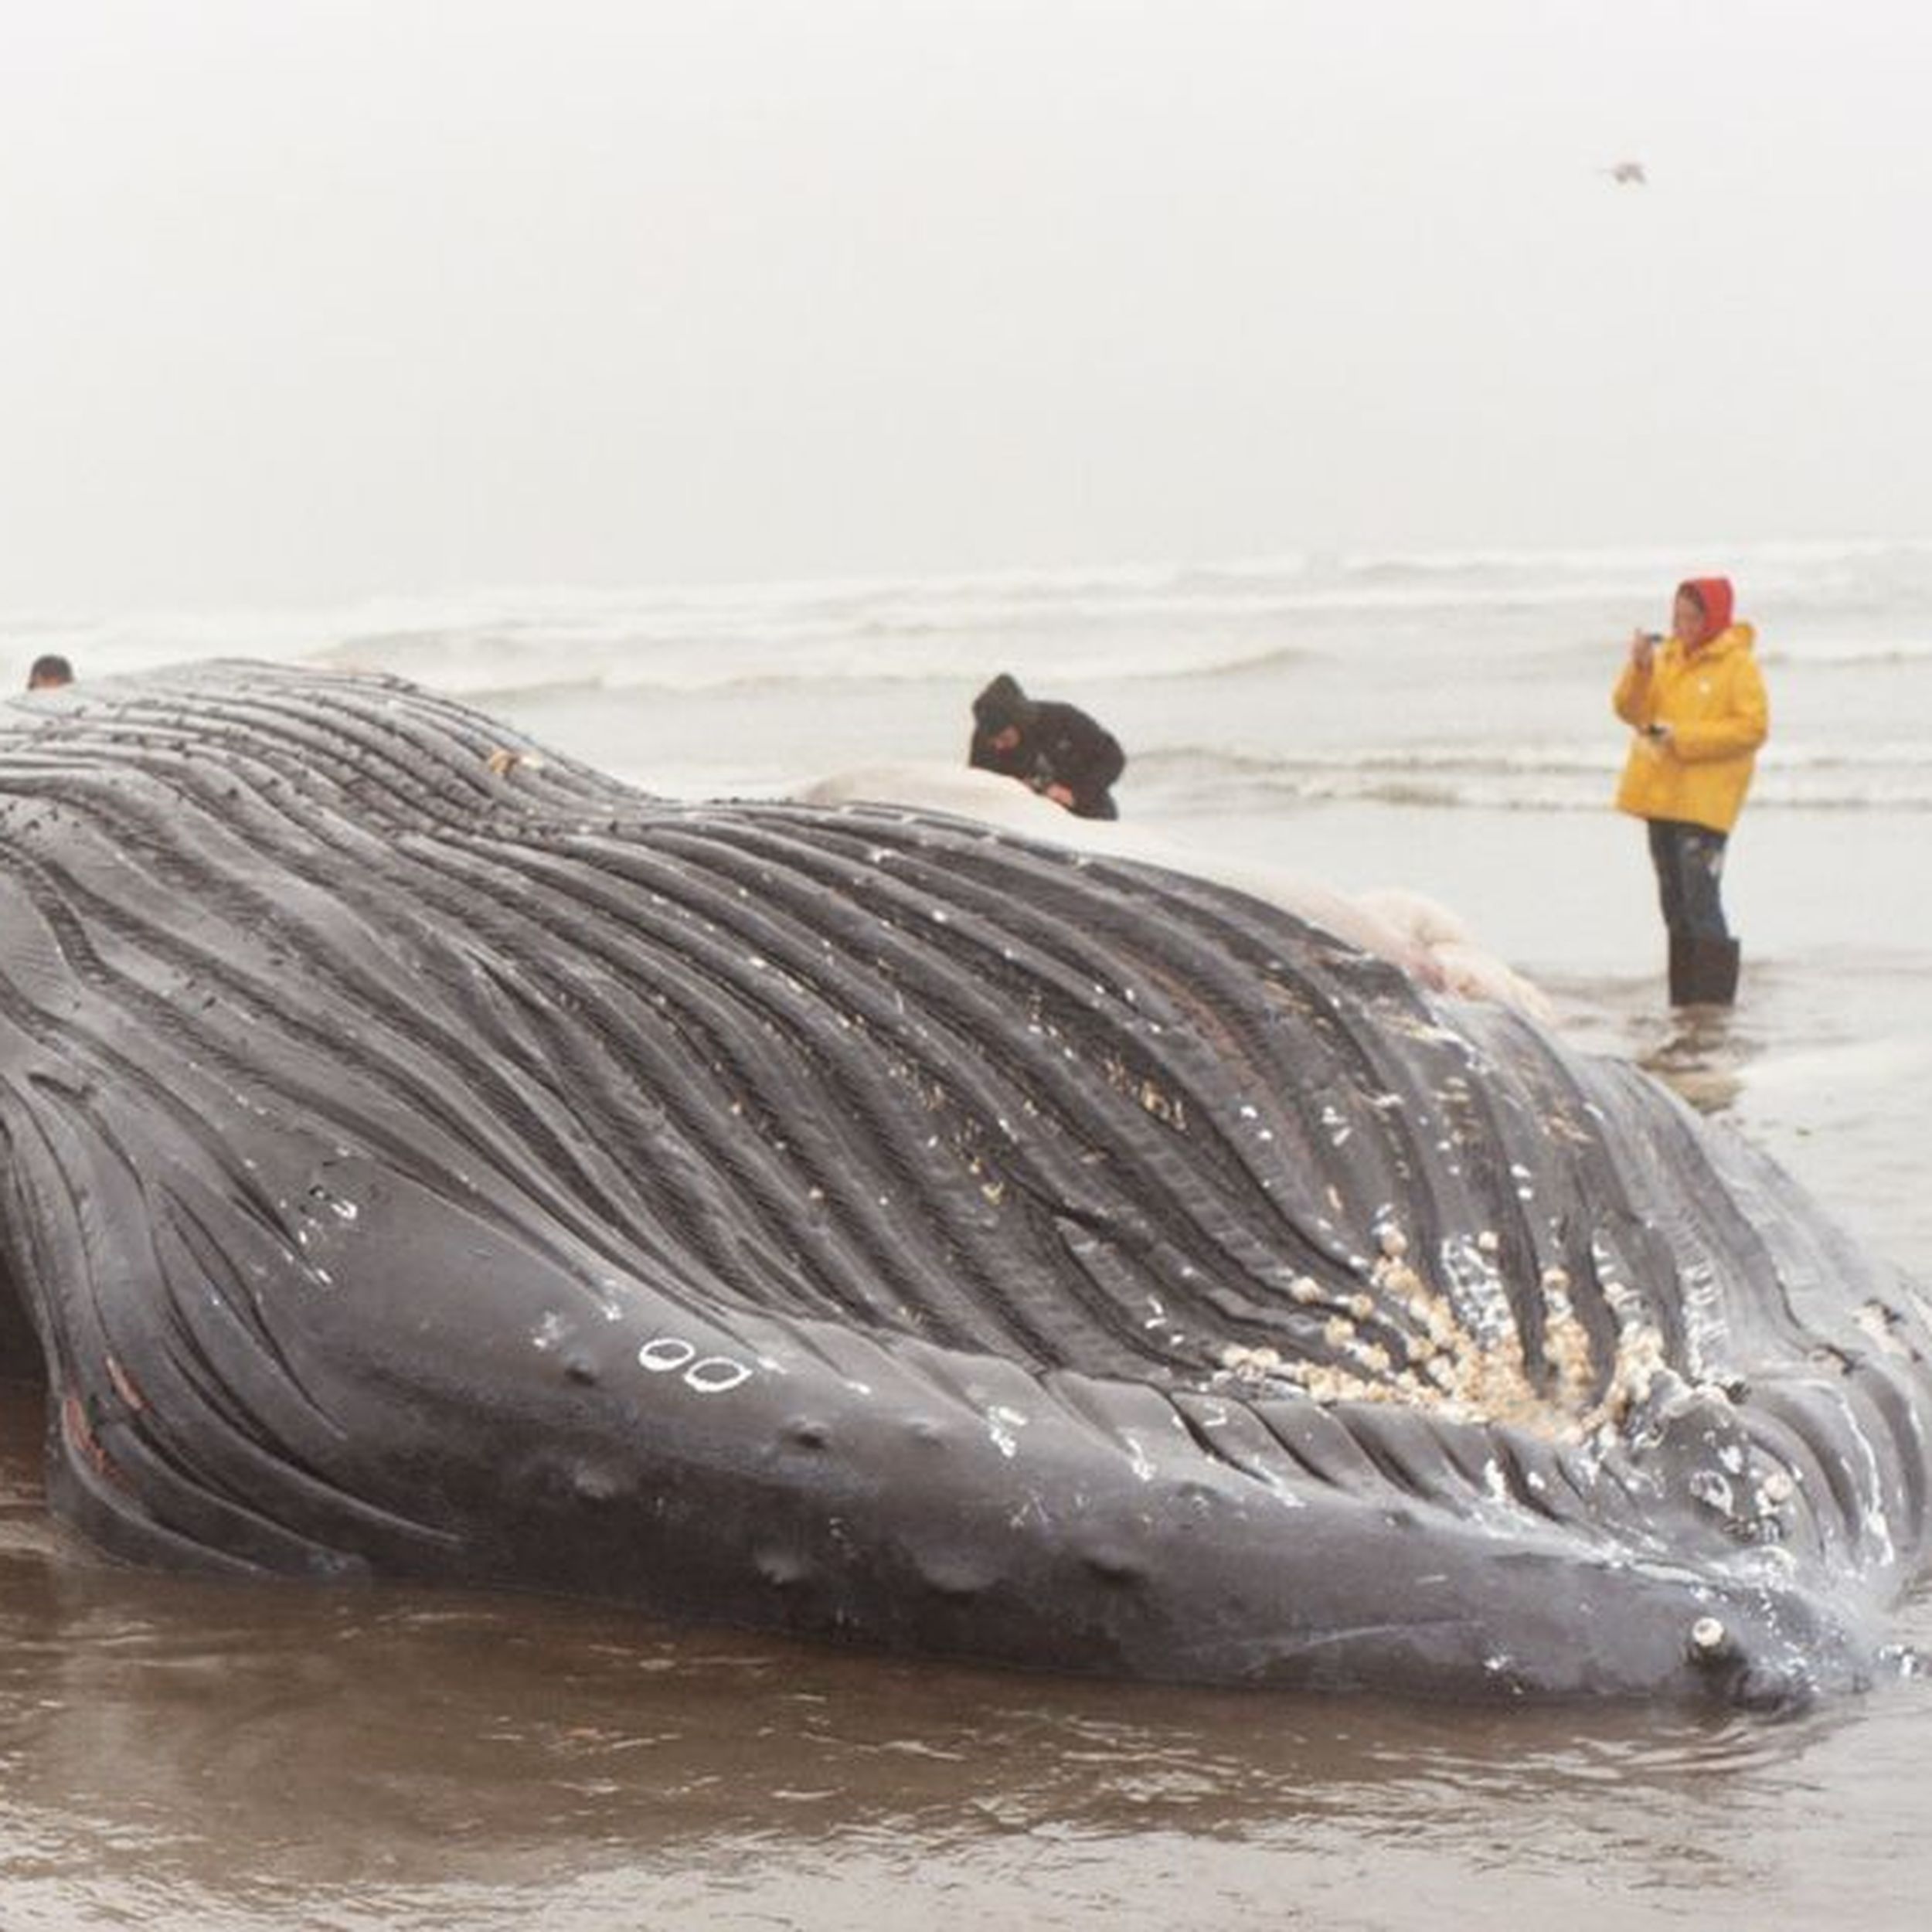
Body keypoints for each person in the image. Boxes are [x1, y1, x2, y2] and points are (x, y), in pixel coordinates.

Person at [1611, 576, 1768, 1005]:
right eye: (1677, 616)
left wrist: (1683, 737)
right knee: (1674, 904)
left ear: (1714, 617)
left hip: (1705, 803)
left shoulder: (1738, 665)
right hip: (1661, 797)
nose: (1683, 625)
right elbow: (1630, 710)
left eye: (1692, 617)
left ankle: (1714, 1004)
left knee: (1701, 904)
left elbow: (1752, 728)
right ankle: (1686, 1003)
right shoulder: (1668, 658)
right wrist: (1639, 667)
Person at [968, 672, 1125, 820]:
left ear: (1020, 723)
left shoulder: (1063, 719)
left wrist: (1076, 795)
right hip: (1024, 818)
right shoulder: (986, 737)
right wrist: (1015, 789)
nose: (998, 746)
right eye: (992, 741)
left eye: (1004, 738)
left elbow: (1113, 757)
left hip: (1088, 814)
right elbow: (980, 786)